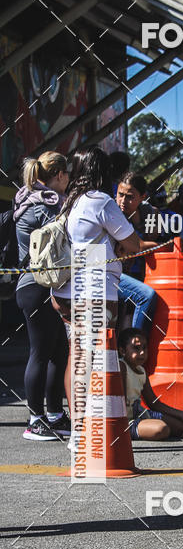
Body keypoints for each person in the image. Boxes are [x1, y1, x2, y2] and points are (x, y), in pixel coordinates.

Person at [51, 146, 141, 412]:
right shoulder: (100, 200)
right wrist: (120, 244)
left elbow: (88, 246)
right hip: (95, 294)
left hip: (66, 292)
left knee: (76, 357)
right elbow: (134, 243)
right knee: (95, 359)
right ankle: (94, 426)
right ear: (102, 171)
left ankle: (78, 425)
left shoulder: (70, 201)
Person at [14, 152, 70, 440]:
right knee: (40, 352)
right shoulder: (46, 204)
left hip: (38, 287)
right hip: (38, 287)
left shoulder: (28, 199)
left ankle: (55, 414)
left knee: (58, 353)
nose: (69, 179)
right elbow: (65, 238)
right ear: (59, 174)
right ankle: (35, 419)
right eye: (67, 173)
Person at [118, 328, 183, 439]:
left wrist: (182, 414)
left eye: (144, 347)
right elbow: (120, 403)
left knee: (182, 427)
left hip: (139, 414)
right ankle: (128, 432)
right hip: (126, 421)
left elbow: (154, 403)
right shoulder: (122, 366)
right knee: (161, 429)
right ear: (122, 351)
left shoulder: (141, 371)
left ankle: (144, 426)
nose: (142, 352)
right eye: (136, 348)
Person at [115, 172, 158, 335]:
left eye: (130, 197)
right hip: (115, 274)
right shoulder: (112, 211)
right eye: (120, 195)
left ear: (143, 196)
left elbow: (151, 237)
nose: (123, 201)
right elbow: (138, 246)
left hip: (140, 273)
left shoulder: (149, 212)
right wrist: (160, 245)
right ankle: (133, 344)